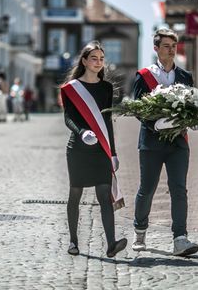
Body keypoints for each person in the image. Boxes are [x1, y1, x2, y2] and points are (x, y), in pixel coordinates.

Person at [131, 28, 198, 256]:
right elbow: (139, 109)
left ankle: (180, 238)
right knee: (147, 189)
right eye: (166, 46)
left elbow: (191, 105)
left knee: (179, 189)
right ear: (156, 49)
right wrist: (156, 124)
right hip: (151, 142)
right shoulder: (144, 75)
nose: (171, 50)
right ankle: (140, 232)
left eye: (173, 46)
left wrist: (194, 119)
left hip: (178, 142)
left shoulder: (185, 76)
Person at [60, 41, 126, 258]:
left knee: (105, 194)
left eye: (101, 59)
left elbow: (107, 121)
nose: (98, 62)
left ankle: (111, 244)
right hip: (78, 149)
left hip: (101, 150)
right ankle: (73, 241)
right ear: (85, 61)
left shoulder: (106, 88)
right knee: (75, 194)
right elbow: (68, 118)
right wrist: (82, 133)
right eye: (94, 58)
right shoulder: (71, 88)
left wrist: (113, 152)